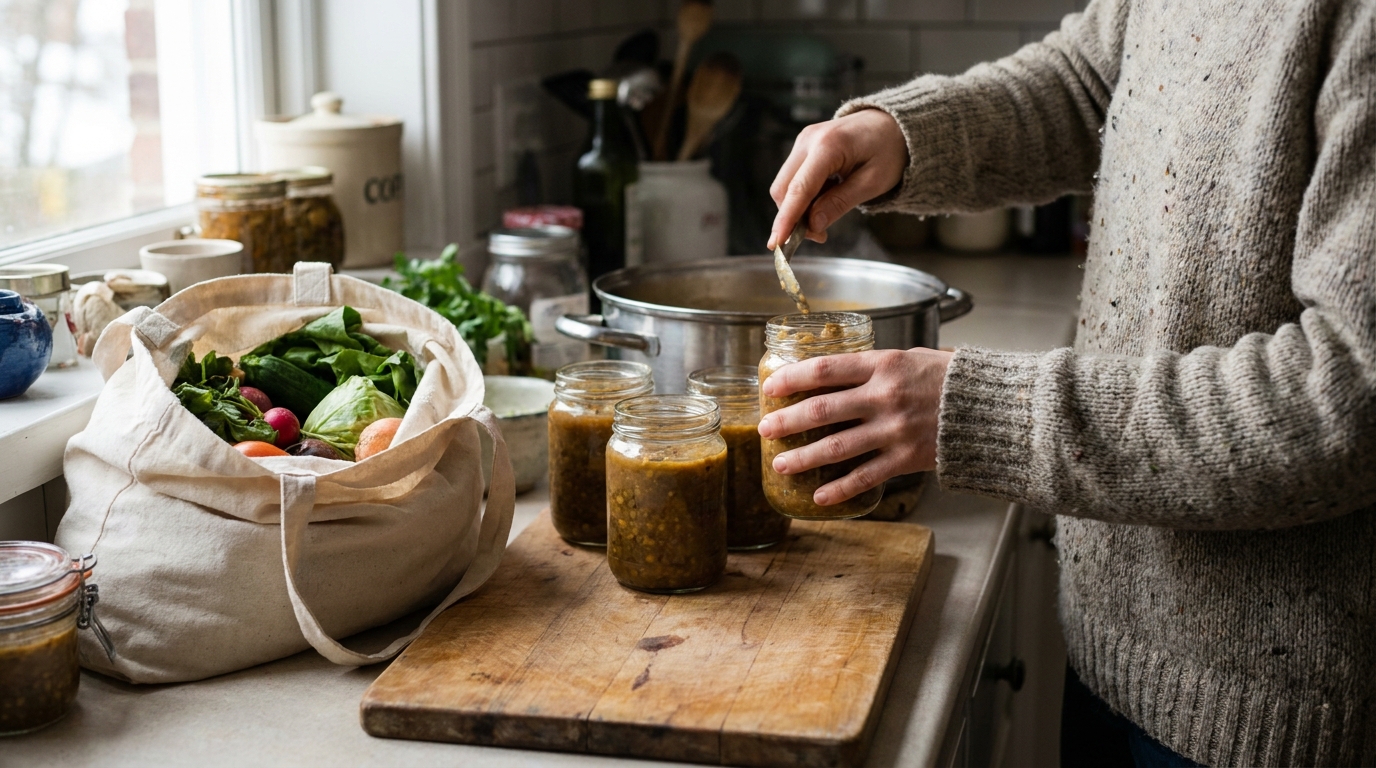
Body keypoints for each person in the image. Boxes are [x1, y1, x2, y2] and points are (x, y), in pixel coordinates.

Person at [759, 1, 1375, 765]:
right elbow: (1092, 78)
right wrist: (902, 136)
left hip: (1276, 716)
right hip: (1113, 650)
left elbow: (1348, 398)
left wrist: (981, 412)